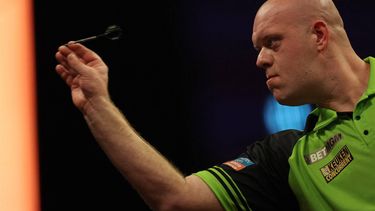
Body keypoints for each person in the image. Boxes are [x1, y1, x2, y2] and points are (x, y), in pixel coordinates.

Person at [54, 0, 375, 210]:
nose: (261, 60)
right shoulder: (289, 158)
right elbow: (176, 198)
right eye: (258, 47)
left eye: (272, 42)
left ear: (318, 35)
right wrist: (97, 104)